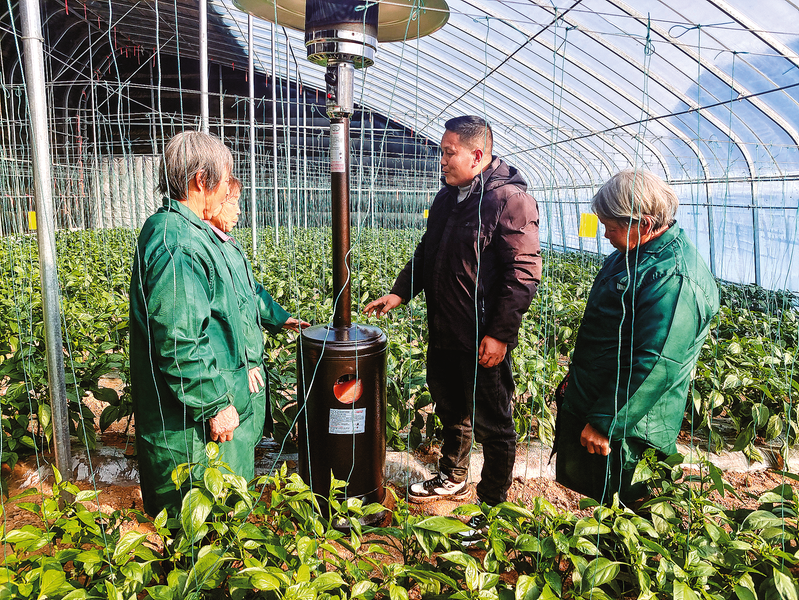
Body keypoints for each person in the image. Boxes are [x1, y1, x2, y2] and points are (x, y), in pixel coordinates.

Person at [364, 115, 541, 508]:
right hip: (444, 328)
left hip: (481, 337)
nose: (442, 161)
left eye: (449, 153)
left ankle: (492, 505)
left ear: (476, 156)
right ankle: (452, 477)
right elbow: (429, 251)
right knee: (451, 408)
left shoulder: (509, 200)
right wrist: (400, 293)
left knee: (493, 424)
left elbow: (523, 274)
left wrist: (499, 334)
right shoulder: (447, 197)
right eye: (441, 153)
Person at [554, 169, 719, 506]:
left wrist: (606, 421)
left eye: (611, 227)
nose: (605, 234)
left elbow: (657, 361)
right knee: (608, 503)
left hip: (635, 424)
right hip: (611, 404)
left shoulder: (675, 277)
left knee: (632, 509)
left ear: (643, 224)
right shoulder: (632, 254)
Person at [129, 131, 250, 518]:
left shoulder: (186, 233)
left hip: (191, 418)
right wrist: (215, 403)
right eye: (225, 180)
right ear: (201, 180)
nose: (227, 191)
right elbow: (179, 340)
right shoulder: (178, 243)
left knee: (212, 524)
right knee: (196, 527)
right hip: (186, 431)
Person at [205, 176, 307, 448]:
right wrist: (246, 361)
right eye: (233, 202)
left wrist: (281, 318)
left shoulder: (229, 244)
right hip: (236, 366)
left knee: (247, 433)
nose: (239, 211)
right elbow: (223, 317)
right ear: (214, 202)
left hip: (247, 362)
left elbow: (251, 292)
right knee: (233, 440)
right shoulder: (209, 250)